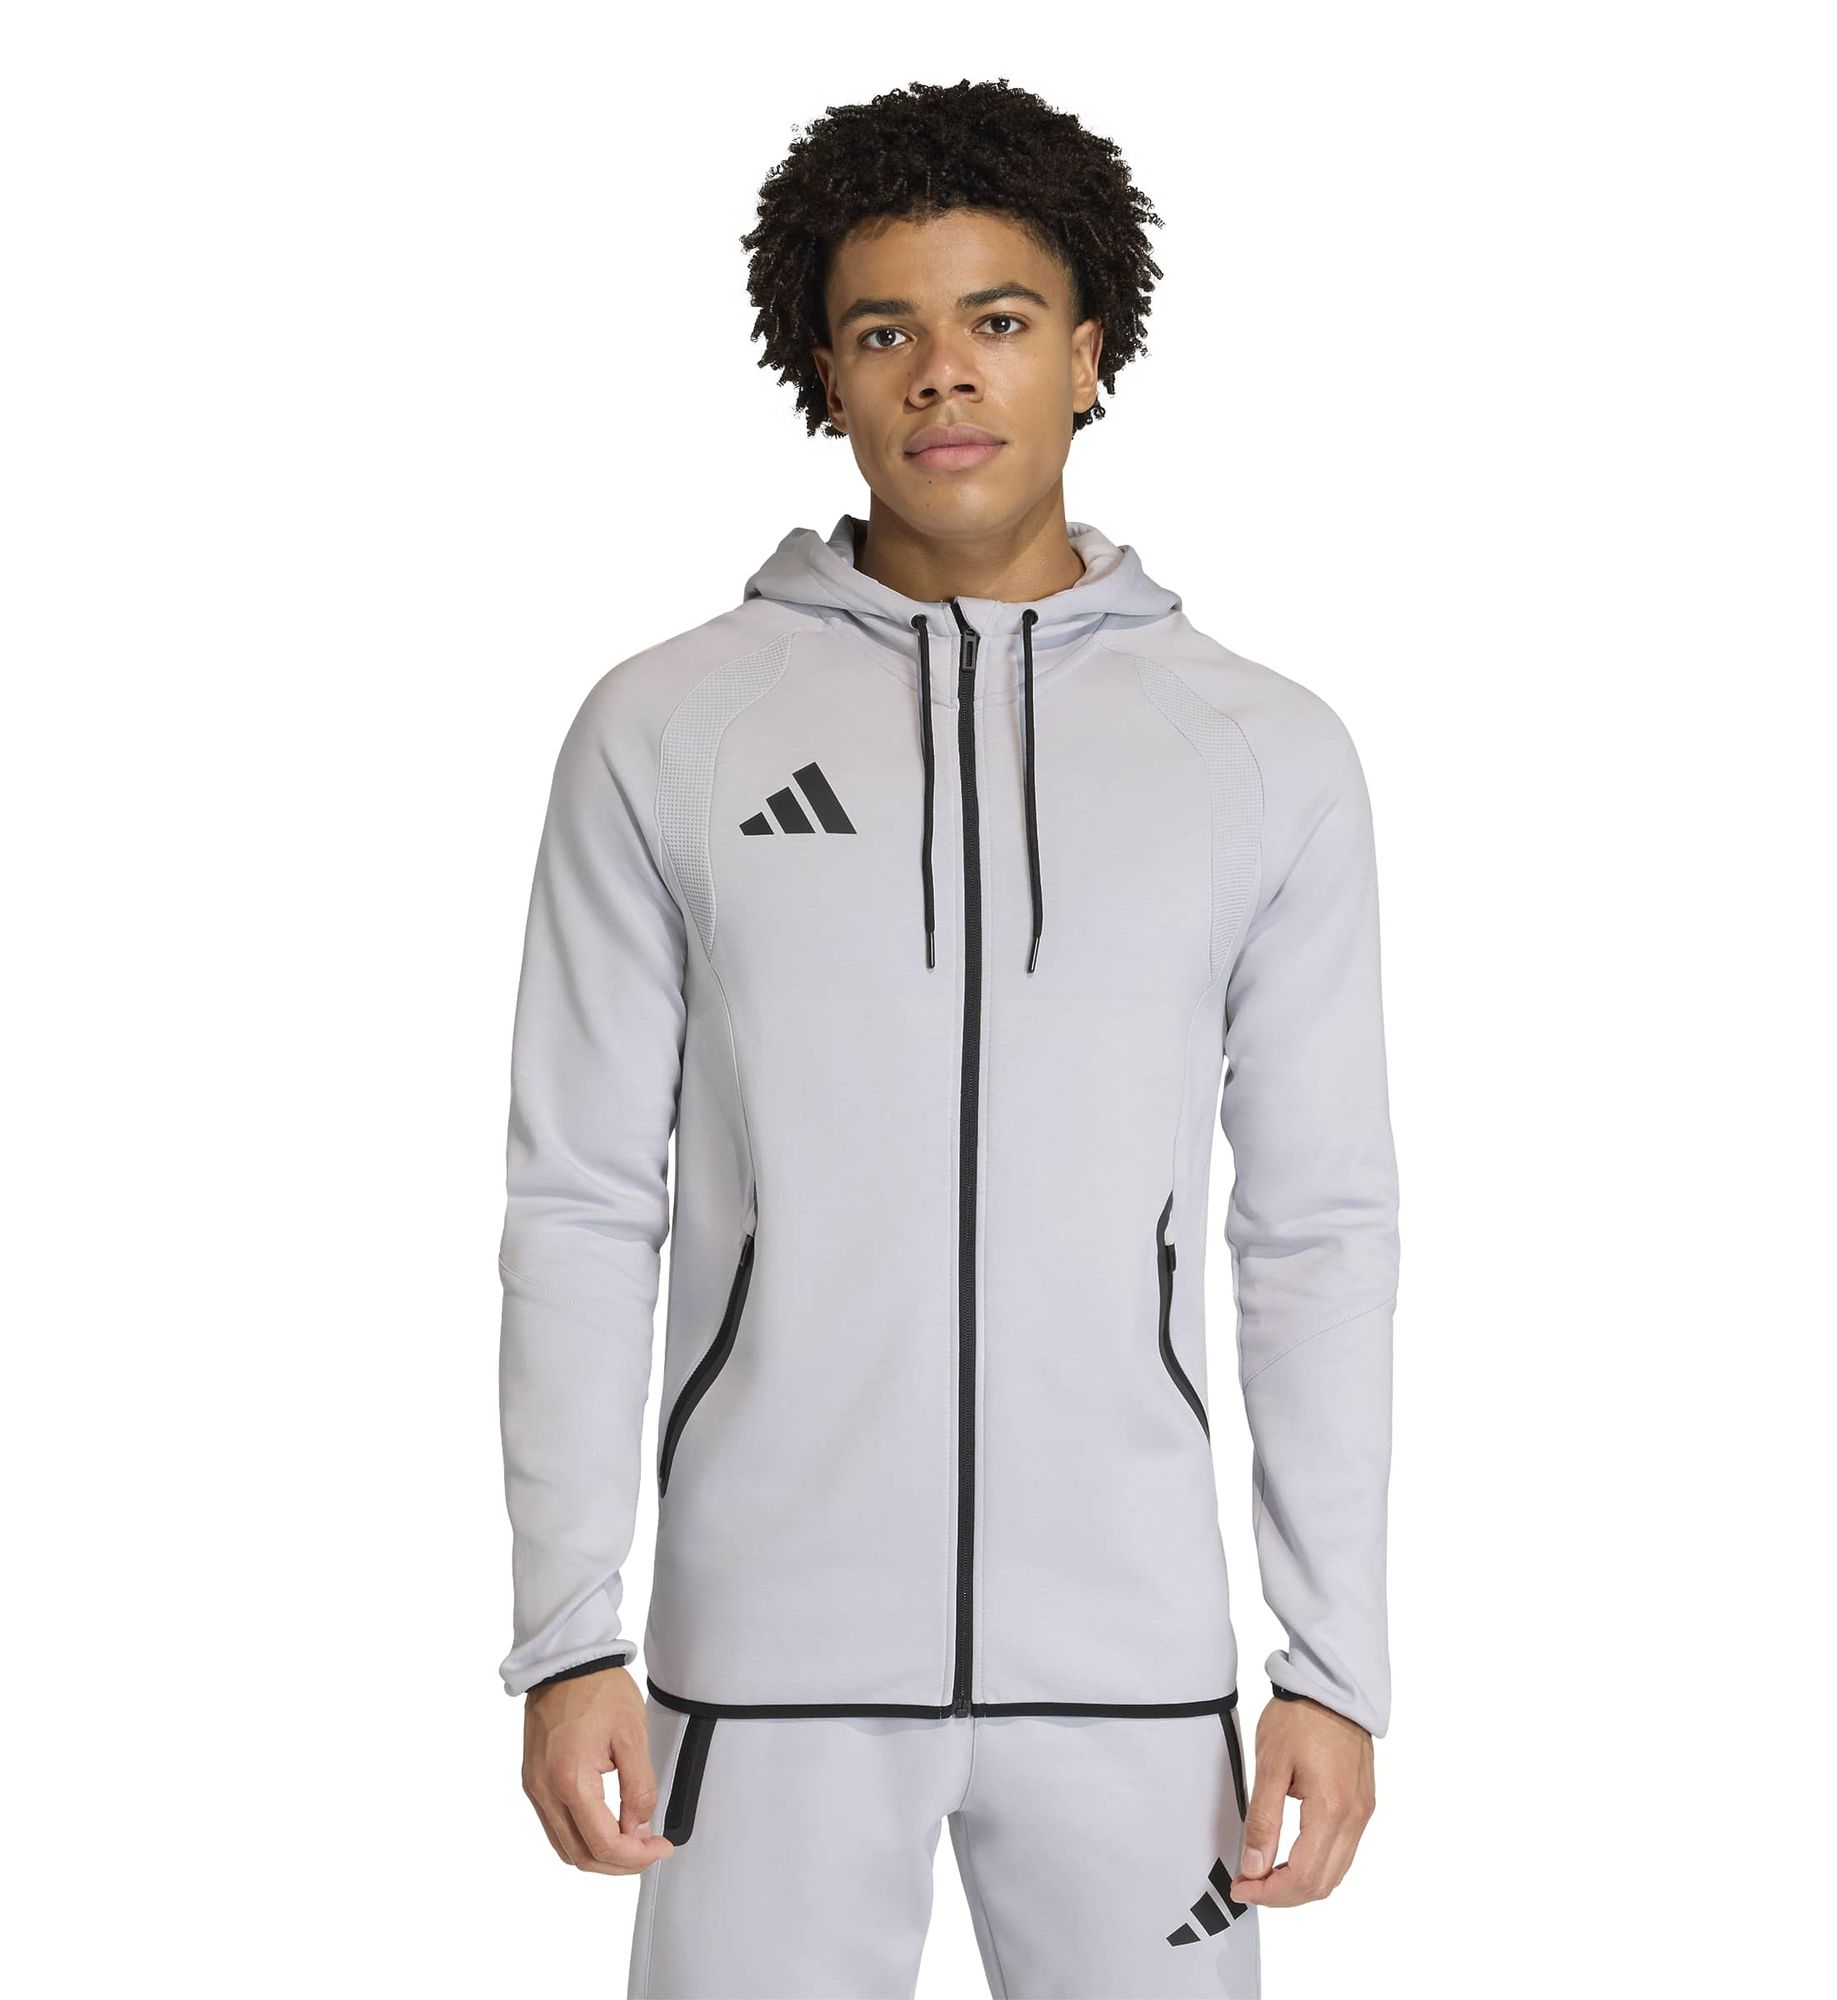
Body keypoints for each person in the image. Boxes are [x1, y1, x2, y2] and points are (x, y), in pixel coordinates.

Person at [497, 76, 1400, 2000]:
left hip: (1135, 1671)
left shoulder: (1260, 752)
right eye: (885, 331)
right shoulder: (669, 729)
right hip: (763, 1662)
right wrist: (569, 1630)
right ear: (824, 375)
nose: (945, 375)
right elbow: (581, 1195)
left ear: (1089, 352)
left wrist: (1332, 1664)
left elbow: (1317, 1229)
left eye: (997, 318)